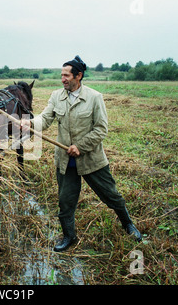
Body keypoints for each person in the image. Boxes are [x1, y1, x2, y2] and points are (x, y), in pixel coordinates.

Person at [21, 55, 142, 252]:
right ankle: (69, 236)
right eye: (61, 75)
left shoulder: (94, 98)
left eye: (66, 75)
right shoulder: (56, 96)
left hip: (92, 160)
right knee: (65, 201)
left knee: (111, 196)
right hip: (65, 161)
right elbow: (45, 118)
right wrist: (30, 123)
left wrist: (81, 146)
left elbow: (101, 129)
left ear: (79, 75)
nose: (63, 79)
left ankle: (128, 224)